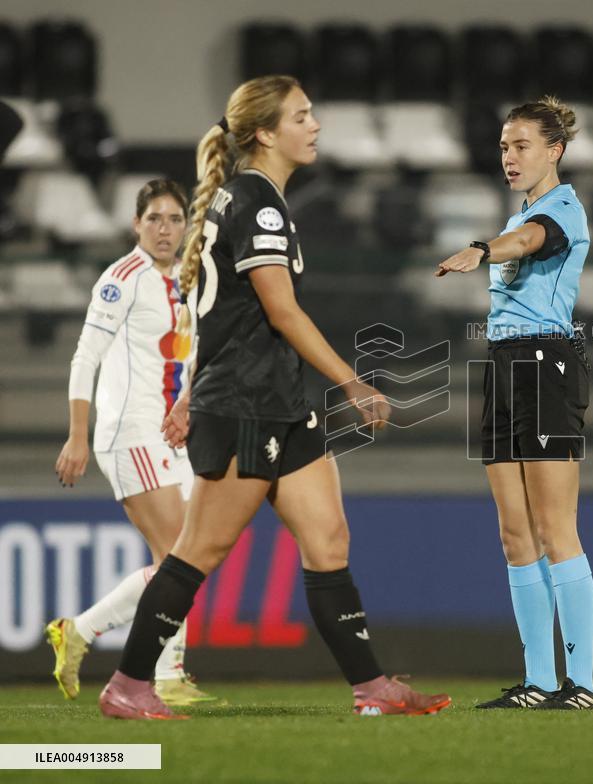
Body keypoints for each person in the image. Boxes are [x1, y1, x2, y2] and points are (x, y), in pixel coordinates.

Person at [97, 75, 450, 720]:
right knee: (198, 550)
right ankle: (128, 684)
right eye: (301, 116)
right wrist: (351, 381)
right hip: (246, 403)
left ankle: (371, 688)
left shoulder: (247, 199)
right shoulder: (257, 202)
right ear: (264, 132)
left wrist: (189, 392)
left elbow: (221, 314)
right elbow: (280, 311)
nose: (314, 126)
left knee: (328, 540)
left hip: (279, 400)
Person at [436, 96, 593, 709]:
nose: (509, 156)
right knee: (514, 533)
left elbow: (530, 241)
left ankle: (582, 684)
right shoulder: (522, 211)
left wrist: (483, 248)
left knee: (556, 528)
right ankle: (538, 681)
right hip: (504, 364)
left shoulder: (562, 210)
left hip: (546, 365)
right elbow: (521, 233)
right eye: (505, 146)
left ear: (555, 150)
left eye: (522, 145)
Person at [48, 179, 217, 707]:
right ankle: (101, 641)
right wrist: (78, 434)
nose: (165, 229)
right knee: (179, 556)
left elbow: (192, 355)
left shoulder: (189, 280)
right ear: (136, 224)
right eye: (154, 219)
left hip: (173, 433)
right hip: (130, 432)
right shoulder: (122, 279)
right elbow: (85, 357)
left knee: (186, 557)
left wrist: (188, 404)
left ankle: (157, 670)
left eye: (174, 219)